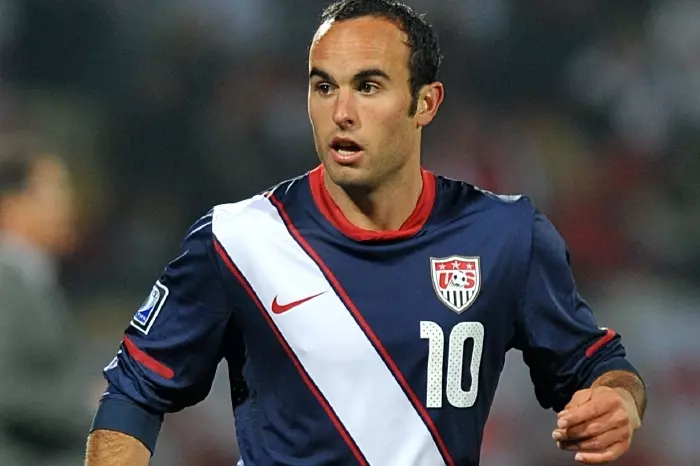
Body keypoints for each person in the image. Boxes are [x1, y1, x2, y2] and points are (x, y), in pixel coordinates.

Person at [86, 1, 646, 465]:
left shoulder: (506, 234)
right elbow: (134, 393)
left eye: (369, 86)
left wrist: (619, 402)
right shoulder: (237, 240)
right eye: (323, 87)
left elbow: (595, 363)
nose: (342, 112)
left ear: (425, 102)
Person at [0, 140, 94, 465]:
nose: (68, 207)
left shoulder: (35, 278)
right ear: (12, 205)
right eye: (56, 195)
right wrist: (88, 406)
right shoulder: (5, 281)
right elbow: (5, 387)